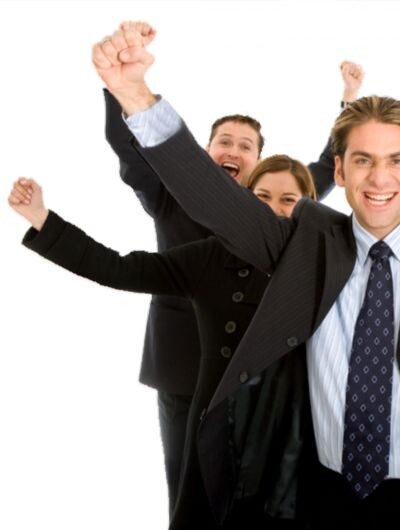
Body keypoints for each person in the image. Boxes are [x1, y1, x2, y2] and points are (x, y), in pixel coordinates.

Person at [90, 21, 400, 529]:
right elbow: (215, 200)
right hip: (323, 501)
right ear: (339, 171)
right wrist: (135, 97)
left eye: (396, 160)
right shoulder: (305, 241)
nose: (379, 178)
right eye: (363, 160)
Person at [99, 20, 363, 512]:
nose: (233, 150)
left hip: (259, 374)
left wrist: (348, 101)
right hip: (183, 368)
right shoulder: (170, 195)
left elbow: (323, 170)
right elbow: (130, 149)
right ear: (205, 152)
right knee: (189, 489)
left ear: (259, 162)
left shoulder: (276, 213)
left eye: (245, 145)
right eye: (225, 141)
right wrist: (119, 86)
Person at [8, 155, 317, 529]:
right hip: (218, 431)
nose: (273, 209)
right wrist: (41, 218)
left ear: (308, 207)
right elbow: (120, 269)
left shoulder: (322, 268)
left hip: (291, 434)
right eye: (262, 196)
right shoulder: (211, 256)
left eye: (288, 200)